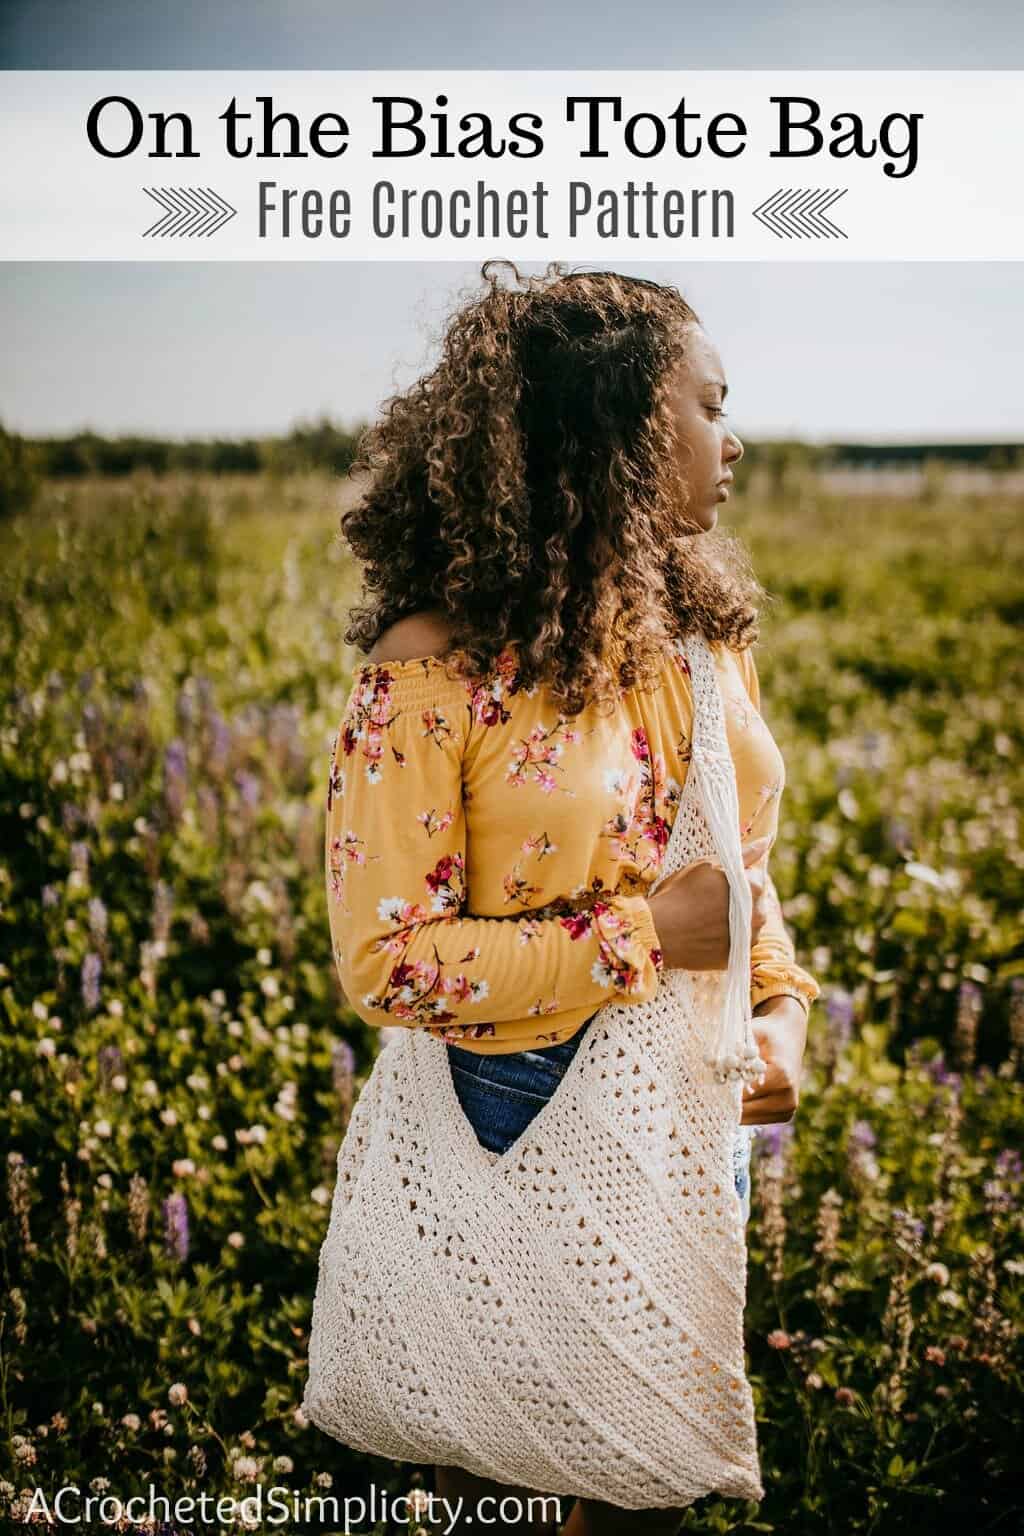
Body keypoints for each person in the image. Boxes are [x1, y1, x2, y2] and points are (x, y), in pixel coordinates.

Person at [324, 261, 820, 1535]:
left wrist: (778, 1004)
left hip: (681, 1106)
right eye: (710, 405)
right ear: (612, 433)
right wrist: (651, 935)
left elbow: (738, 862)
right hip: (509, 1111)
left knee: (646, 1488)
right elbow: (392, 963)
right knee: (504, 1486)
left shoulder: (705, 631)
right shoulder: (432, 665)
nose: (736, 438)